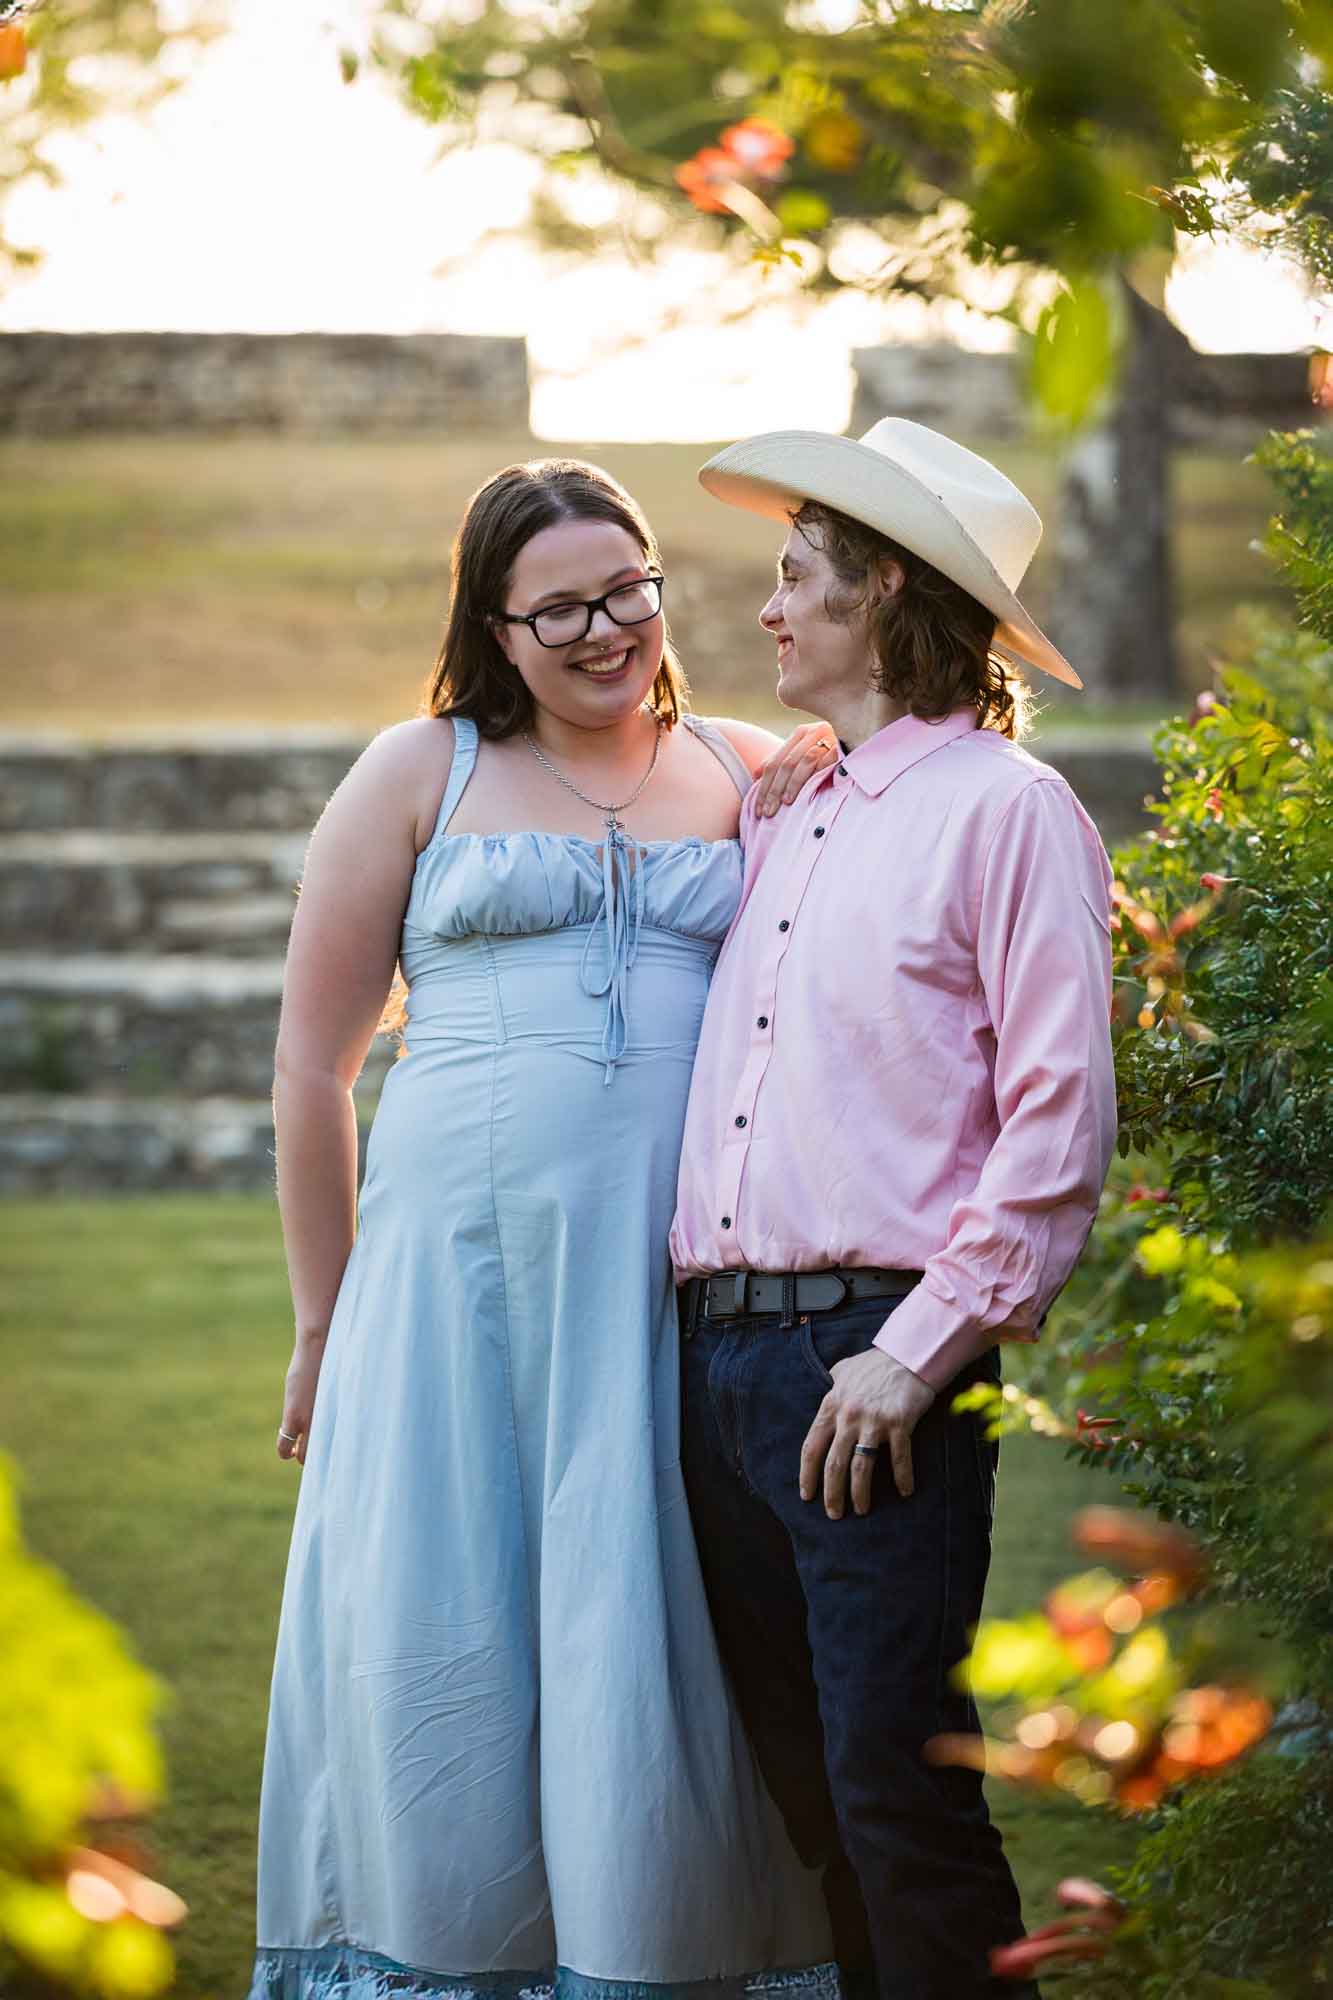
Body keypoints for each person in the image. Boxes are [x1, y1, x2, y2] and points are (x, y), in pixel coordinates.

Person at [247, 457, 841, 2000]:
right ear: (493, 626)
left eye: (626, 590)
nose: (602, 631)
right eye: (558, 608)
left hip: (675, 1294)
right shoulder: (416, 772)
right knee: (450, 1623)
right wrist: (324, 1321)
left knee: (660, 1630)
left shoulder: (752, 766)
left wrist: (836, 749)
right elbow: (314, 1066)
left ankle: (671, 1958)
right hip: (453, 1293)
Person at [671, 419, 1119, 2000]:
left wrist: (917, 1352)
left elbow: (1056, 1129)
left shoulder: (1008, 813)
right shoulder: (790, 805)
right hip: (712, 1367)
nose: (770, 608)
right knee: (800, 1801)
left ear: (888, 598)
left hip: (872, 1365)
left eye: (799, 578)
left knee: (893, 1792)